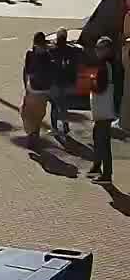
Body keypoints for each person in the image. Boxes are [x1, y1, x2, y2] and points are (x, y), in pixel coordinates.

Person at [87, 38, 118, 184]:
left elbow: (100, 87)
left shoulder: (104, 66)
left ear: (106, 49)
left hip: (103, 110)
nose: (96, 51)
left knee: (103, 141)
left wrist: (90, 82)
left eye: (99, 48)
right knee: (97, 137)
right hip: (101, 110)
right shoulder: (107, 65)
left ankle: (106, 174)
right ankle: (96, 166)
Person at [22, 31, 58, 148]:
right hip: (43, 90)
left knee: (27, 113)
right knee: (37, 114)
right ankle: (34, 134)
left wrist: (25, 86)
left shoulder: (31, 54)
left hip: (34, 88)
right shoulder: (49, 55)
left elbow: (26, 72)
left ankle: (32, 134)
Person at [50, 28, 83, 138]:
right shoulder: (70, 50)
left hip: (55, 81)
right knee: (64, 104)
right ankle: (65, 125)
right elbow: (79, 51)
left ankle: (55, 127)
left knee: (54, 105)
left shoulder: (53, 50)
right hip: (66, 81)